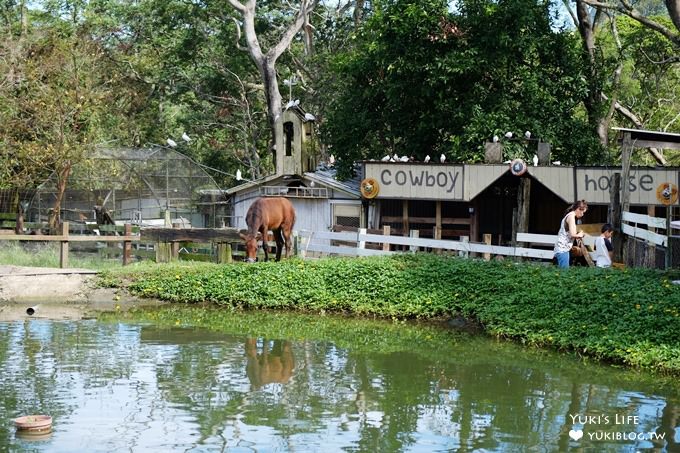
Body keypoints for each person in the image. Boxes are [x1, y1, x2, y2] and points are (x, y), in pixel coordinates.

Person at [553, 200, 588, 268]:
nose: (582, 214)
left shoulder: (570, 215)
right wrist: (580, 234)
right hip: (562, 249)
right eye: (582, 212)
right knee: (564, 273)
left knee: (562, 272)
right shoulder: (571, 217)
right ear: (578, 209)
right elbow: (573, 234)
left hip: (562, 248)